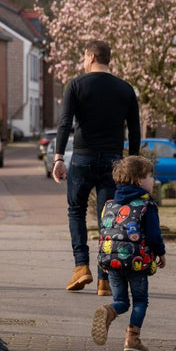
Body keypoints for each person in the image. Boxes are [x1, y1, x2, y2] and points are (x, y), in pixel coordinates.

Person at [53, 39, 141, 296]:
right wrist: (131, 162)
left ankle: (81, 266)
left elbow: (65, 122)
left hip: (82, 157)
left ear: (91, 56)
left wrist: (58, 157)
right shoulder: (126, 89)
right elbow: (134, 129)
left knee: (76, 211)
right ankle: (105, 278)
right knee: (108, 219)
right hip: (114, 161)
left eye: (83, 57)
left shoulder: (76, 85)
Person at [91, 155, 166, 351]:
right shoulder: (146, 205)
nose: (154, 181)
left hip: (112, 261)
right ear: (140, 180)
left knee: (122, 301)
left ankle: (109, 310)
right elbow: (153, 235)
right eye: (151, 177)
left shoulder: (110, 204)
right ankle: (132, 339)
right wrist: (161, 253)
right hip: (136, 262)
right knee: (140, 301)